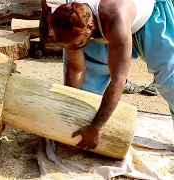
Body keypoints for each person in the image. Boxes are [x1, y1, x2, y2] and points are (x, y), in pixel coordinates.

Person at [49, 0, 174, 150]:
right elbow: (76, 68)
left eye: (74, 45)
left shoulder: (116, 19)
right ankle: (83, 136)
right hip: (100, 24)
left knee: (170, 80)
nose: (72, 49)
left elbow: (118, 80)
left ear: (90, 27)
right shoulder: (72, 19)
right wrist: (69, 113)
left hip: (148, 18)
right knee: (88, 93)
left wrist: (97, 127)